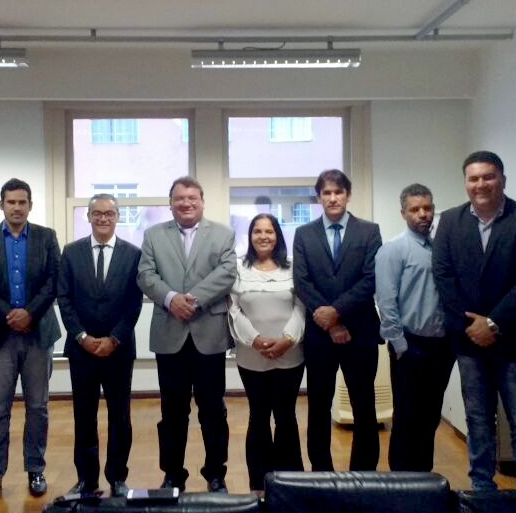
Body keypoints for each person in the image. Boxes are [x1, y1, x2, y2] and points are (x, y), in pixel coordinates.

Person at [432, 151, 516, 492]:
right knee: (478, 419)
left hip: (515, 341)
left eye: (488, 176)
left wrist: (494, 323)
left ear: (503, 180)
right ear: (465, 183)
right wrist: (474, 325)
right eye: (474, 178)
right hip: (469, 341)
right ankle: (481, 488)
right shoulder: (450, 221)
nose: (481, 184)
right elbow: (443, 275)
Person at [137, 176, 237, 492]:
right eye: (180, 198)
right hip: (170, 335)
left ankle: (216, 474)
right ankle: (172, 474)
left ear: (202, 202)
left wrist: (190, 299)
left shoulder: (223, 234)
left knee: (213, 411)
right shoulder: (154, 235)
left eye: (192, 198)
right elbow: (145, 274)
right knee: (172, 412)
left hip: (209, 335)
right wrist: (170, 299)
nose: (186, 203)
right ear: (171, 204)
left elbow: (227, 272)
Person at [0, 178, 61, 502]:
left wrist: (29, 313)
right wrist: (9, 314)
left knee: (38, 407)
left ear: (30, 205)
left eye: (22, 202)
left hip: (38, 334)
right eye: (11, 202)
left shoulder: (46, 237)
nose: (17, 208)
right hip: (0, 335)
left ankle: (35, 468)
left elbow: (54, 280)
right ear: (2, 205)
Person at [292, 169, 383, 472]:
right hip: (320, 336)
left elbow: (371, 279)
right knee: (318, 406)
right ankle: (321, 473)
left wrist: (336, 312)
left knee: (364, 405)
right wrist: (330, 322)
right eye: (327, 193)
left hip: (361, 333)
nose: (333, 198)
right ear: (318, 197)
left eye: (338, 192)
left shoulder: (369, 231)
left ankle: (364, 474)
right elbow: (302, 282)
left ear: (348, 195)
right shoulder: (304, 234)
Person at [57, 194, 143, 498]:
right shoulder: (71, 252)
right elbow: (64, 298)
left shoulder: (133, 254)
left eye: (109, 213)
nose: (103, 218)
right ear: (89, 217)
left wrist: (114, 338)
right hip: (82, 351)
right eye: (97, 213)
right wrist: (82, 336)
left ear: (117, 216)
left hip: (118, 350)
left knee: (120, 416)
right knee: (84, 415)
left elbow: (134, 303)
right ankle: (87, 479)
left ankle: (117, 476)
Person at [375, 183, 455, 472]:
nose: (423, 214)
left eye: (427, 208)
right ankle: (401, 481)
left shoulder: (440, 249)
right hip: (410, 346)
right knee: (407, 417)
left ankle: (424, 478)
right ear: (403, 213)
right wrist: (399, 345)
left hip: (442, 346)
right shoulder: (393, 250)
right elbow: (386, 301)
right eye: (415, 209)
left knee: (430, 416)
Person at [228, 213, 305, 493]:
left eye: (269, 231)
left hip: (290, 355)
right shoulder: (238, 268)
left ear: (277, 235)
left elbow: (301, 307)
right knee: (258, 416)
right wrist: (255, 339)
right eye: (257, 231)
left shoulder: (293, 267)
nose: (263, 236)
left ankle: (291, 482)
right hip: (252, 356)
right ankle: (259, 483)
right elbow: (233, 309)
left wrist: (287, 339)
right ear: (250, 236)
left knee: (285, 416)